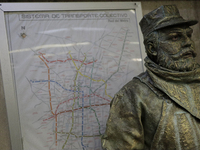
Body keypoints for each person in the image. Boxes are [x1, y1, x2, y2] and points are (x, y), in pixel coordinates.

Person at [101, 5, 200, 150]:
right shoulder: (132, 95)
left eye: (189, 35)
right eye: (175, 37)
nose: (188, 43)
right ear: (152, 48)